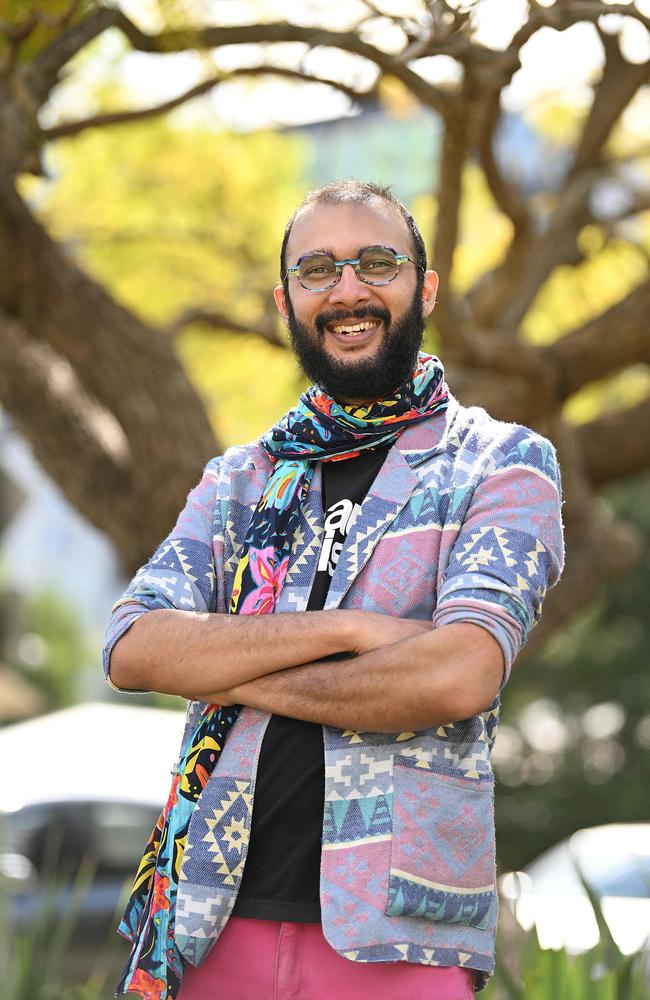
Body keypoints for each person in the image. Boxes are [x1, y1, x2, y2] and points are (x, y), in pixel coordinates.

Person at [104, 180, 564, 1000]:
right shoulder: (242, 478)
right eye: (317, 270)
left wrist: (222, 665)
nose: (347, 289)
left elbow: (456, 674)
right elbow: (134, 648)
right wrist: (353, 628)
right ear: (287, 301)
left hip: (398, 943)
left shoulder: (501, 463)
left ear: (423, 287)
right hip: (209, 919)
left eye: (376, 263)